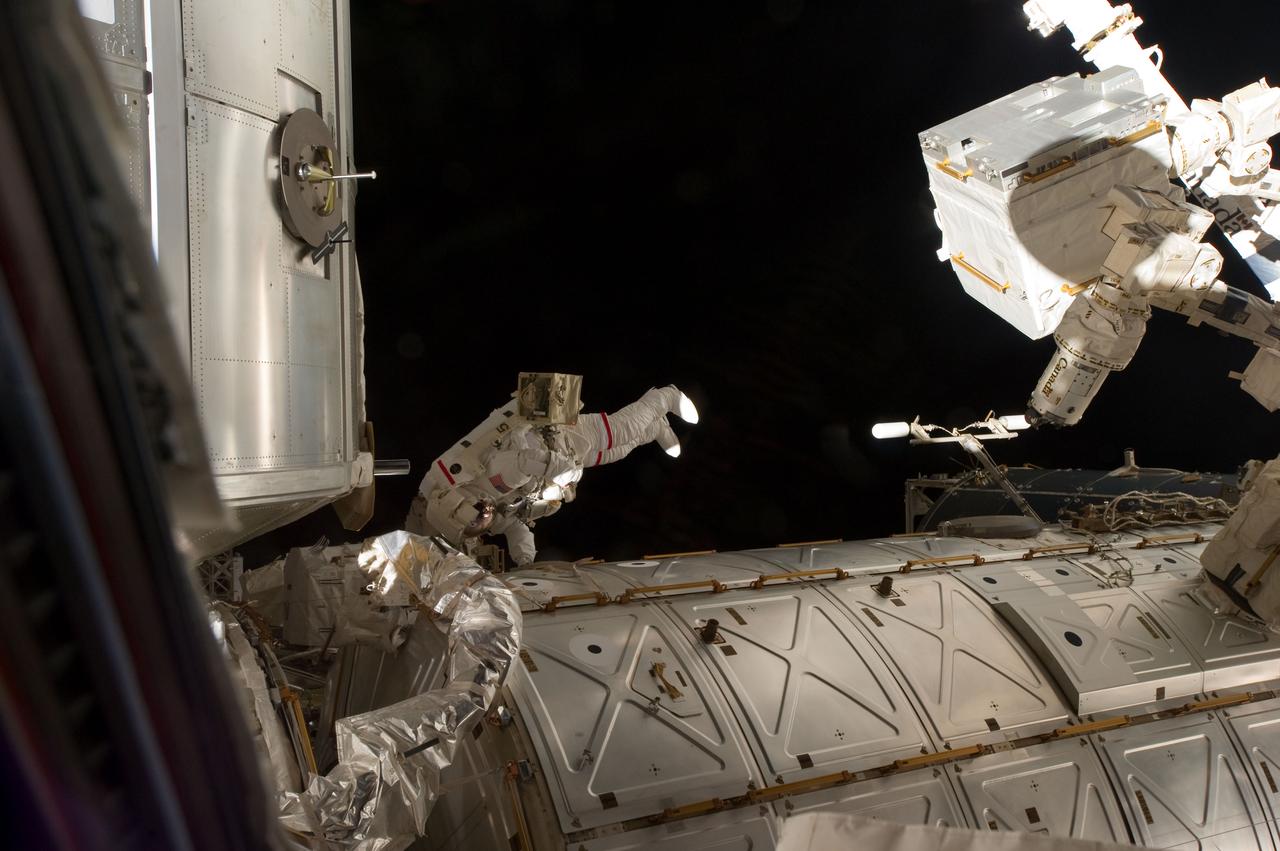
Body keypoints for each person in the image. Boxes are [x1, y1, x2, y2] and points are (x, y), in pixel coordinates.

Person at [405, 373, 698, 567]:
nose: (485, 517)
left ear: (464, 503)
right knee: (616, 452)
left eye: (478, 515)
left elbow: (527, 460)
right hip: (563, 455)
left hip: (559, 437)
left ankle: (665, 397)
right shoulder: (486, 514)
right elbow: (516, 526)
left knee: (621, 430)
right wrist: (525, 561)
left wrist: (566, 474)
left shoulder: (491, 479)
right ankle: (655, 429)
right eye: (478, 525)